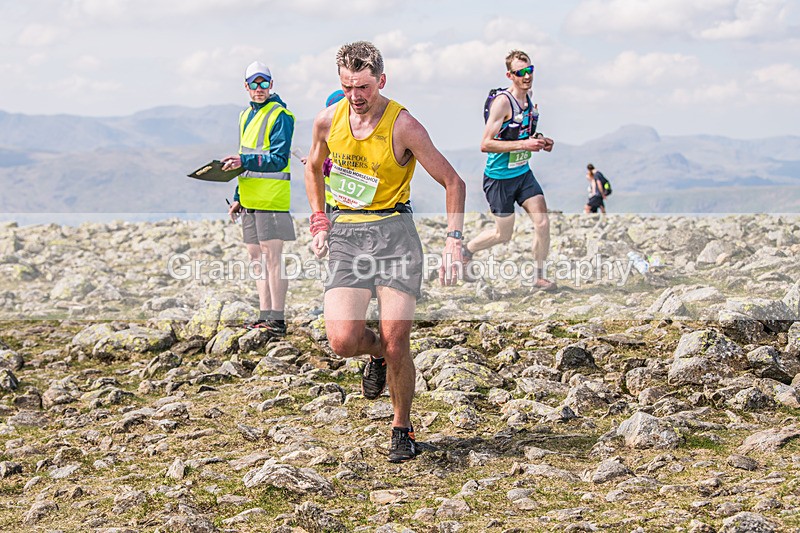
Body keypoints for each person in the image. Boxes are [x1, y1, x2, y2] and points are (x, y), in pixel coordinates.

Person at [304, 41, 465, 463]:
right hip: (346, 236)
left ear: (381, 80)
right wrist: (319, 219)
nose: (355, 96)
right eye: (347, 86)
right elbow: (312, 167)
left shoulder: (403, 125)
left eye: (363, 87)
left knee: (397, 343)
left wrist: (453, 239)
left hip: (395, 235)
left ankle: (401, 427)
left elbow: (453, 182)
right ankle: (372, 353)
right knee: (342, 341)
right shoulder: (327, 120)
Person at [462, 50, 556, 291]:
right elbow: (486, 144)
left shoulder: (529, 98)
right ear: (510, 75)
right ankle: (467, 250)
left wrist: (540, 140)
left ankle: (539, 277)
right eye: (520, 72)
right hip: (499, 179)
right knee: (503, 235)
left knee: (542, 223)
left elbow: (522, 133)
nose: (527, 76)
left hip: (523, 174)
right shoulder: (503, 103)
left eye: (530, 70)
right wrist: (524, 145)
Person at [221, 61, 296, 336]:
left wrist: (244, 160)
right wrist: (238, 196)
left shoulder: (281, 115)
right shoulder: (245, 116)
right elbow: (245, 158)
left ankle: (278, 319)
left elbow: (278, 159)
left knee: (272, 258)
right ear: (246, 86)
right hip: (251, 199)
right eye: (254, 83)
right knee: (255, 257)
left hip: (272, 200)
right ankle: (265, 315)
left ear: (271, 84)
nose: (259, 88)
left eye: (264, 82)